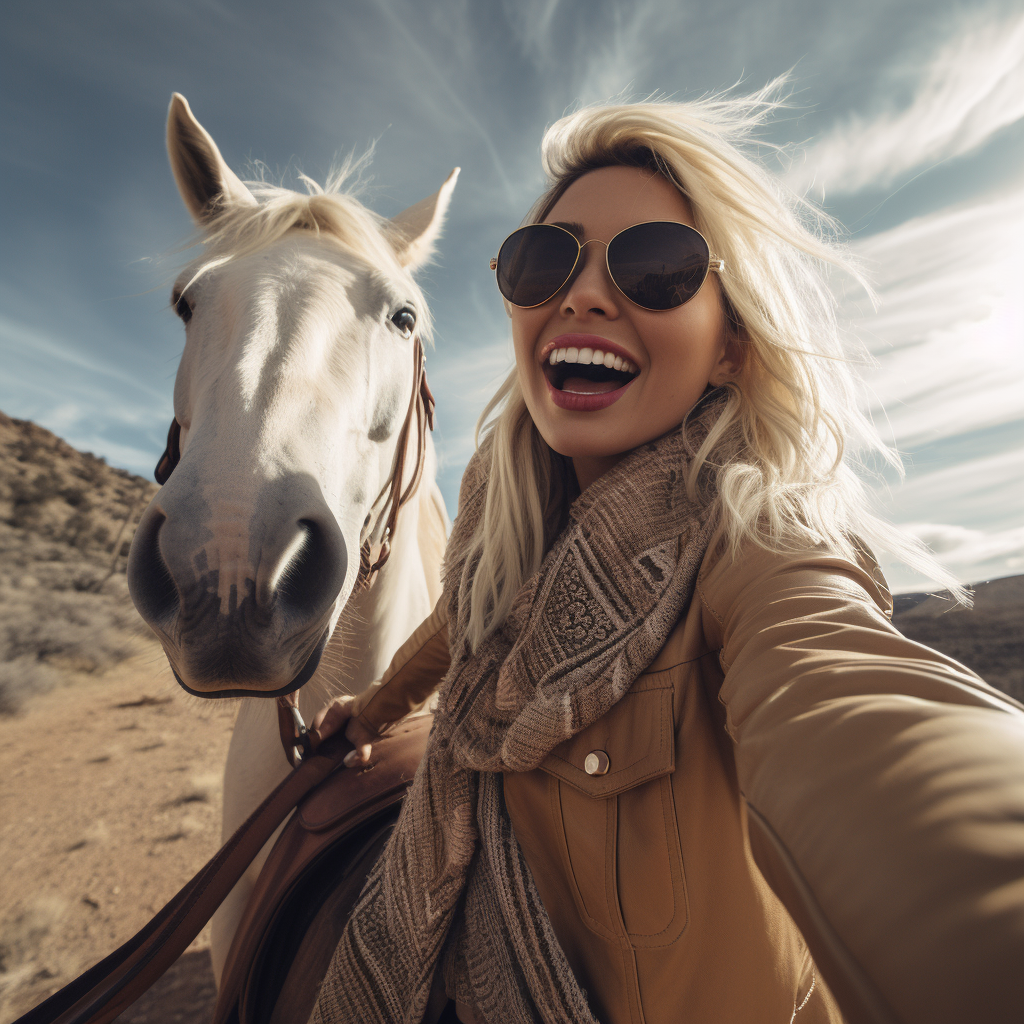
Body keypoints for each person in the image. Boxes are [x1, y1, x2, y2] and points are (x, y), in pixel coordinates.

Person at [306, 91, 1024, 1024]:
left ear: (731, 345)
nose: (585, 294)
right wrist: (372, 710)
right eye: (544, 260)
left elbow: (854, 703)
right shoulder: (509, 515)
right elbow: (465, 625)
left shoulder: (757, 545)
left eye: (658, 266)